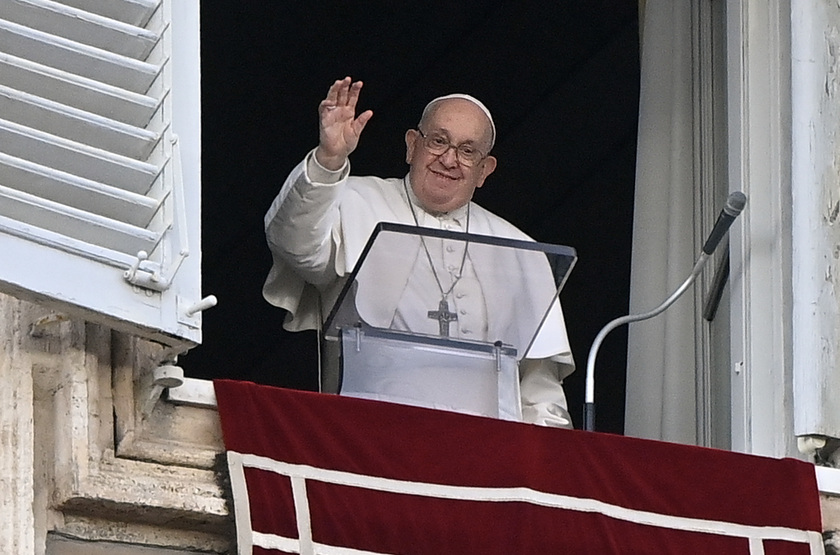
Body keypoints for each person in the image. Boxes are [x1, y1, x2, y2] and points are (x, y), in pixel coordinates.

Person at [263, 77, 575, 427]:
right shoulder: (353, 200)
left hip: (487, 451)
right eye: (438, 141)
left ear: (485, 170)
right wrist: (329, 159)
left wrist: (544, 463)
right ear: (412, 145)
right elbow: (295, 245)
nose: (450, 159)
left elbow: (540, 392)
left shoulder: (522, 252)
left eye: (468, 150)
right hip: (367, 430)